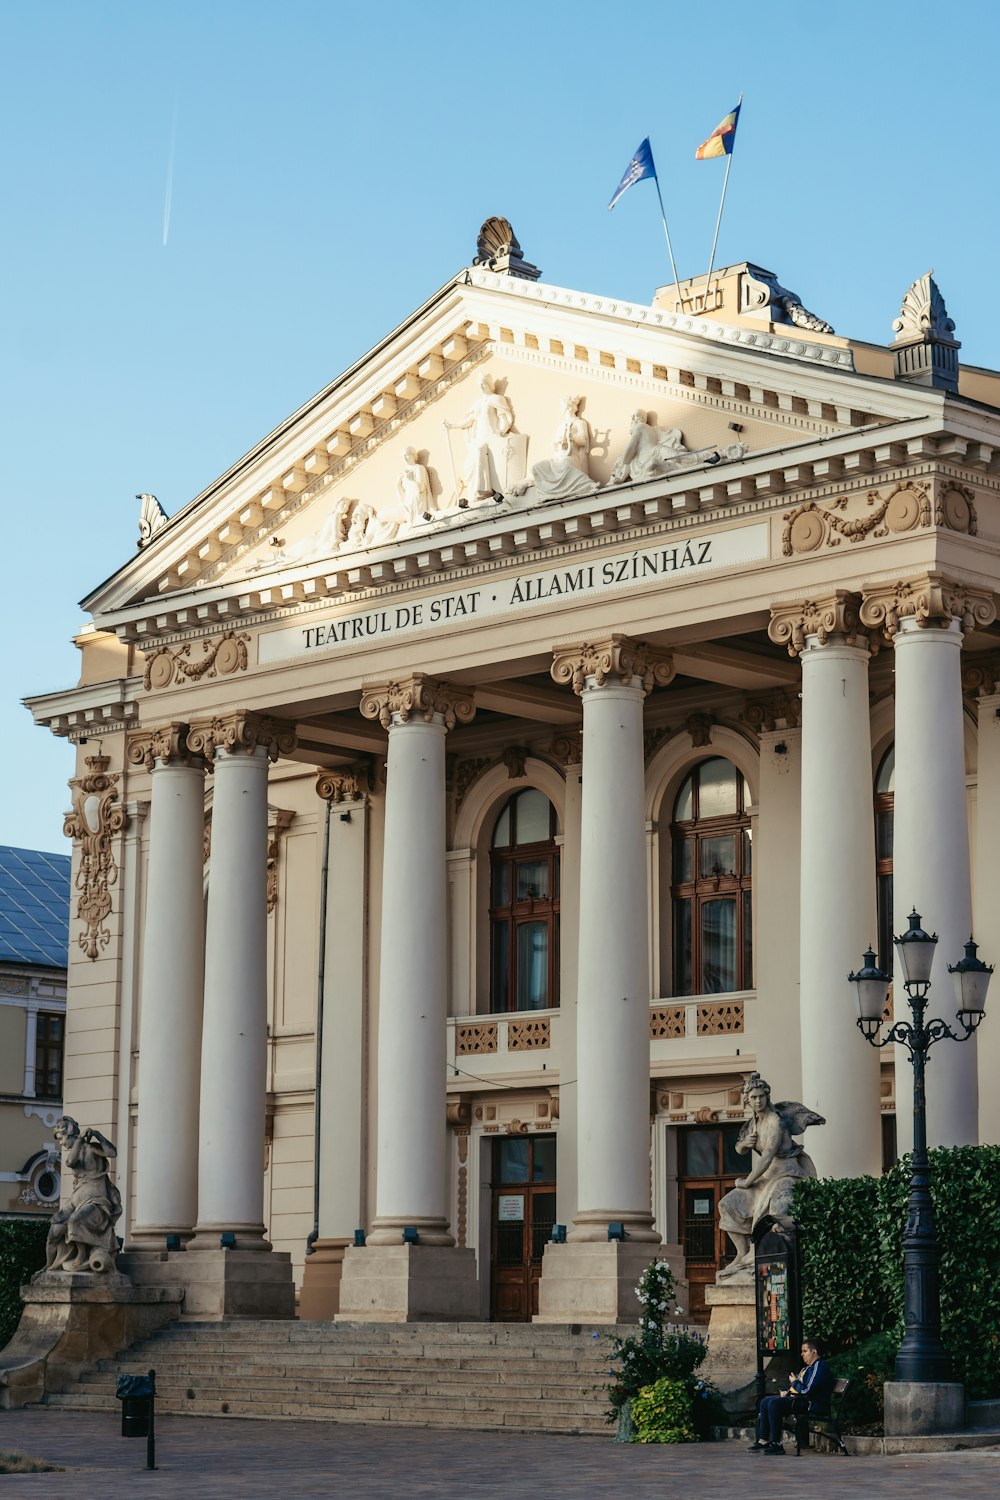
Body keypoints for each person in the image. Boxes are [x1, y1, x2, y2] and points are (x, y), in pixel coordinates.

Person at [717, 1073, 824, 1282]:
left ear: (767, 1096)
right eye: (753, 1098)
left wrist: (747, 1181)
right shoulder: (754, 1123)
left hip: (786, 1173)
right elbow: (739, 1147)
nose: (758, 1101)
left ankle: (760, 1254)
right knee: (726, 1204)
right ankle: (742, 1253)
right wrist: (744, 1144)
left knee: (776, 1209)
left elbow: (766, 1157)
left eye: (761, 1097)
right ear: (747, 1100)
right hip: (764, 1179)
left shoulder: (776, 1121)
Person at [749, 1338, 835, 1454]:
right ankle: (763, 1440)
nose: (802, 1354)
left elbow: (806, 1390)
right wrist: (788, 1392)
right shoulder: (807, 1368)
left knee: (774, 1404)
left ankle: (776, 1443)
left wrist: (794, 1382)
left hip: (812, 1405)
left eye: (805, 1351)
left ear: (814, 1352)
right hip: (800, 1400)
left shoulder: (819, 1367)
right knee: (765, 1401)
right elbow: (800, 1388)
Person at [445, 374, 514, 502]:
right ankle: (474, 490)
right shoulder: (477, 403)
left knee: (478, 452)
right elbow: (469, 421)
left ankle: (482, 491)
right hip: (479, 437)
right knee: (469, 464)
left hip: (491, 435)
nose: (482, 387)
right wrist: (452, 425)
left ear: (490, 385)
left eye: (484, 383)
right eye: (480, 384)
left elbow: (503, 416)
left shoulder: (496, 399)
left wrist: (501, 432)